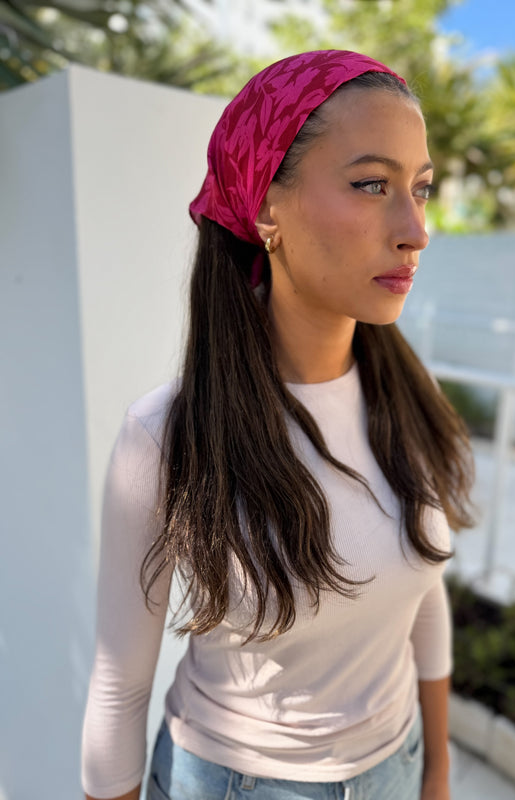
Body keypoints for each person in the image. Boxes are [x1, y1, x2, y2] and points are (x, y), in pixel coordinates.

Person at [81, 49, 474, 800]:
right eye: (372, 185)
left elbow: (423, 588)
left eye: (421, 190)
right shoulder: (167, 437)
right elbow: (118, 684)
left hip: (395, 765)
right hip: (234, 783)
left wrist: (438, 770)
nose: (415, 229)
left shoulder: (407, 400)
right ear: (266, 208)